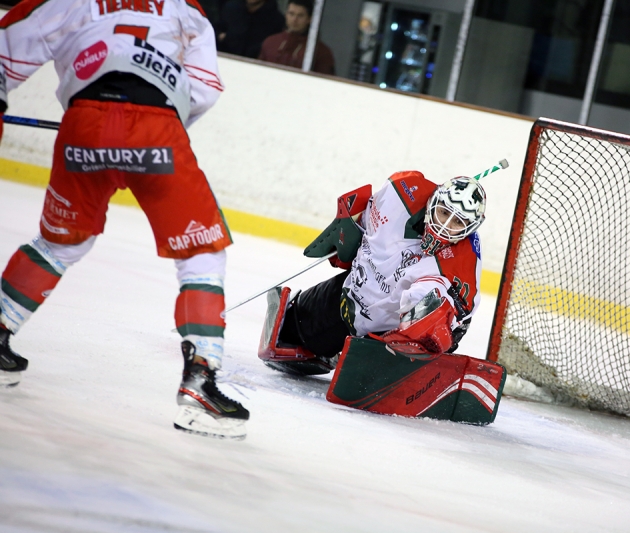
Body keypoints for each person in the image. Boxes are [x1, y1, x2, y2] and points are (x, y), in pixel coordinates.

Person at [0, 0, 249, 440]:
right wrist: (158, 127)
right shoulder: (185, 8)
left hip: (83, 124)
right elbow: (205, 88)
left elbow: (7, 49)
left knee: (61, 243)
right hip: (157, 129)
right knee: (201, 252)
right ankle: (200, 385)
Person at [259, 170, 486, 376]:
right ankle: (329, 346)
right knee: (288, 334)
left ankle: (390, 363)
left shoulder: (462, 263)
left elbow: (458, 316)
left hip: (384, 335)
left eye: (458, 221)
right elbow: (365, 219)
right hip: (350, 297)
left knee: (417, 323)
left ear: (471, 228)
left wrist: (427, 331)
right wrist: (347, 236)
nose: (445, 225)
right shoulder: (400, 195)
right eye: (444, 212)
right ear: (433, 201)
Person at [258, 0, 335, 75]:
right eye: (291, 14)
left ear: (309, 19)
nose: (294, 19)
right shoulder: (271, 42)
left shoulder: (320, 51)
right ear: (286, 15)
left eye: (300, 15)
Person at [217, 0, 284, 59]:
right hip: (224, 59)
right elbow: (218, 29)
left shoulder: (276, 20)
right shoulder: (232, 7)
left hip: (255, 66)